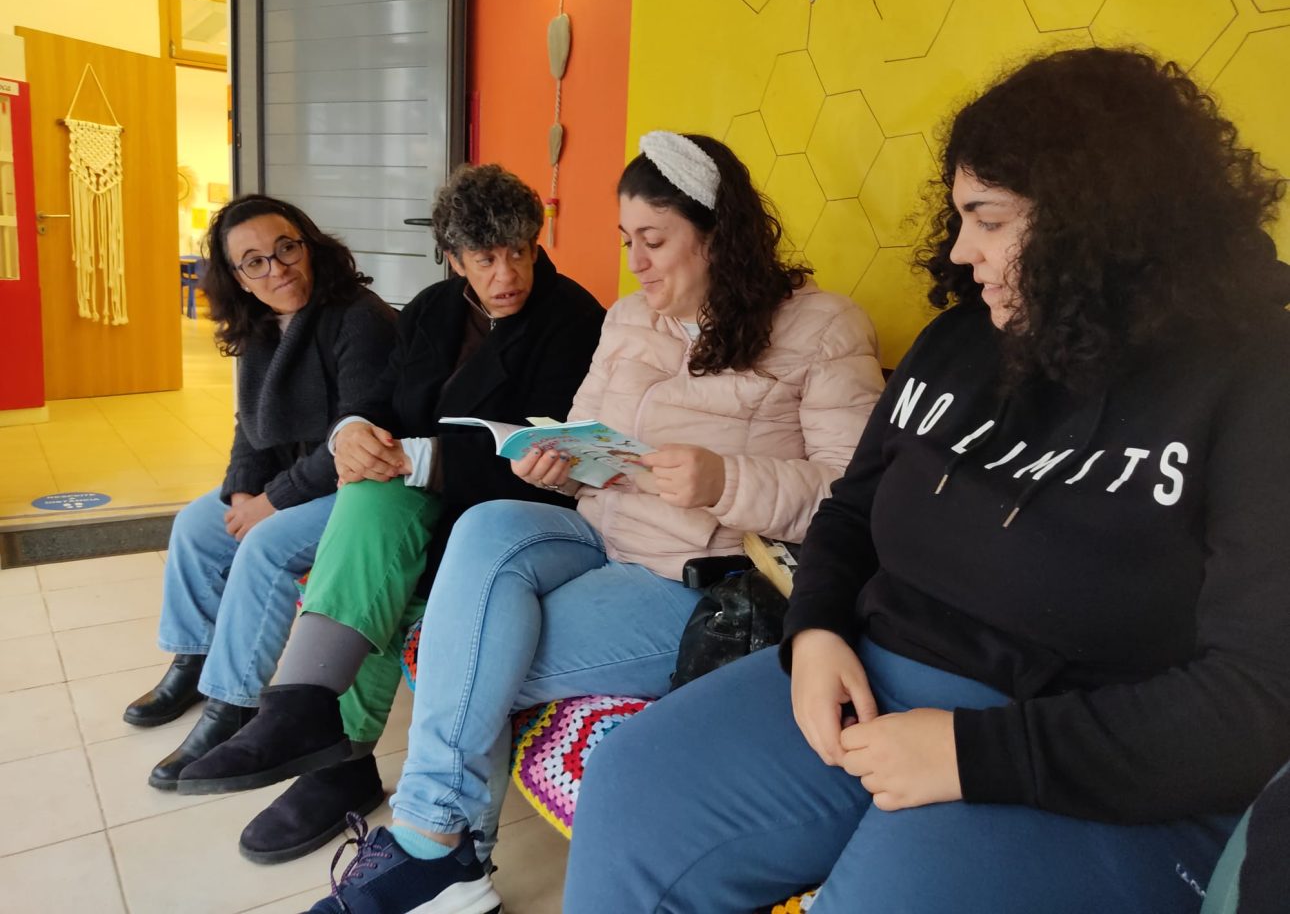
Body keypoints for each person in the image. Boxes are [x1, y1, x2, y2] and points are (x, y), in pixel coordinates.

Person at [562, 47, 1290, 914]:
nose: (960, 250)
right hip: (873, 674)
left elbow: (1258, 696)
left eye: (989, 219)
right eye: (959, 217)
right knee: (632, 784)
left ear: (1100, 219)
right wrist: (816, 631)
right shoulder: (960, 342)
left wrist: (975, 755)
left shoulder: (1258, 380)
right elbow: (850, 512)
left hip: (1076, 744)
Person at [293, 131, 885, 914]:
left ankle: (438, 846)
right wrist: (557, 462)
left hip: (688, 573)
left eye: (654, 241)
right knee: (487, 526)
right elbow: (584, 431)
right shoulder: (630, 319)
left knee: (463, 651)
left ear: (719, 234)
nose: (636, 263)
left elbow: (854, 498)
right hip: (595, 531)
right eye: (626, 240)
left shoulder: (824, 328)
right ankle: (441, 850)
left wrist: (725, 478)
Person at [170, 164, 605, 866]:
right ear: (453, 257)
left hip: (502, 506)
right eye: (486, 258)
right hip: (413, 492)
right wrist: (352, 433)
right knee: (366, 505)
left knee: (382, 549)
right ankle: (311, 719)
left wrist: (415, 458)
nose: (507, 274)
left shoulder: (574, 319)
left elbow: (543, 451)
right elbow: (382, 400)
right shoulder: (432, 308)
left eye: (521, 251)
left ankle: (328, 744)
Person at [122, 195, 398, 789]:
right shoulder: (260, 326)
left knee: (265, 545)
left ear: (309, 246)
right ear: (238, 278)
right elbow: (249, 428)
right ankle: (195, 659)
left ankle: (234, 704)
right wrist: (240, 492)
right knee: (196, 526)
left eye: (285, 249)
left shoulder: (358, 317)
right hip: (296, 482)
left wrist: (270, 503)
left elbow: (358, 434)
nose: (277, 269)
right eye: (255, 262)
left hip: (361, 486)